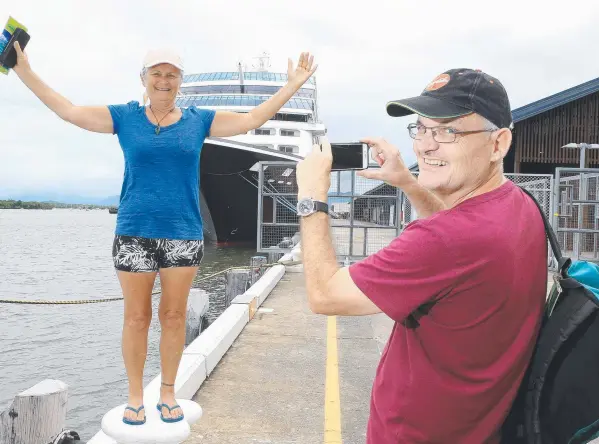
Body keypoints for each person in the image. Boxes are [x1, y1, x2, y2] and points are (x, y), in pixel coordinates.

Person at [12, 42, 317, 425]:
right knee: (136, 318)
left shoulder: (198, 120)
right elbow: (70, 111)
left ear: (180, 81)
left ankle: (168, 392)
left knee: (173, 316)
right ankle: (135, 396)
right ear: (143, 78)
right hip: (134, 233)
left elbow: (252, 119)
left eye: (171, 74)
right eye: (156, 73)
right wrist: (24, 71)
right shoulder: (124, 117)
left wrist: (292, 86)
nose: (164, 80)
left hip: (183, 234)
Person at [295, 68, 548, 443]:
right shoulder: (521, 205)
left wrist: (312, 196)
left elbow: (325, 295)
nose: (427, 146)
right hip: (478, 427)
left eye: (450, 131)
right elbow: (455, 232)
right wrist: (406, 181)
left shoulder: (446, 241)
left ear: (499, 144)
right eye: (423, 129)